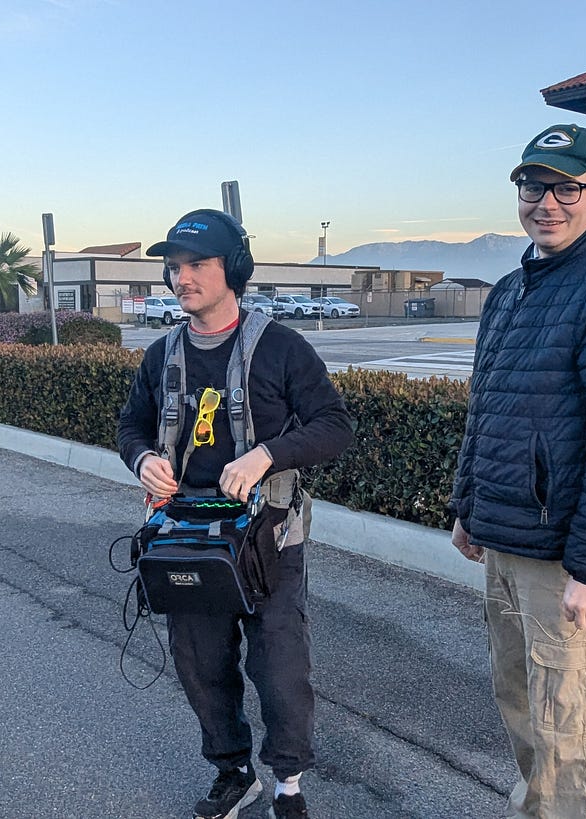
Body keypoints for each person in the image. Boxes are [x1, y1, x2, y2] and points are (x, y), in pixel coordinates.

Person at [449, 125, 586, 818]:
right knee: (523, 708)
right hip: (505, 541)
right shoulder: (512, 290)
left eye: (566, 187)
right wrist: (469, 503)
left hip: (562, 560)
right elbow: (488, 403)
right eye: (533, 185)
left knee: (572, 731)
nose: (547, 202)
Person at [118, 209, 353, 819]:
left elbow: (334, 427)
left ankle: (288, 784)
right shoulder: (161, 355)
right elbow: (131, 427)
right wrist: (142, 459)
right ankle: (232, 771)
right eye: (175, 266)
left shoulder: (279, 346)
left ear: (234, 269)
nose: (181, 277)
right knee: (200, 666)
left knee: (279, 667)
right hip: (185, 535)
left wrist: (268, 455)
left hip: (267, 536)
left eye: (197, 264)